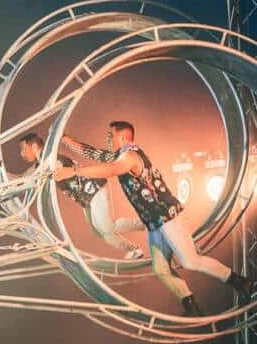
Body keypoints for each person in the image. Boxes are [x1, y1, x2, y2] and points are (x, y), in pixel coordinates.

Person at [54, 121, 252, 315]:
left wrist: (73, 171)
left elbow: (111, 170)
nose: (108, 139)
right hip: (154, 223)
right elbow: (92, 153)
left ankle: (239, 281)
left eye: (111, 135)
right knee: (160, 269)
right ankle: (191, 305)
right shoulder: (119, 156)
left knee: (191, 261)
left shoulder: (130, 156)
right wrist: (66, 140)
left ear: (123, 137)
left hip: (168, 217)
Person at [18, 133, 144, 259]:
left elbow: (53, 167)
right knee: (99, 232)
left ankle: (145, 223)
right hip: (85, 198)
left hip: (94, 189)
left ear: (34, 146)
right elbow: (23, 179)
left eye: (24, 149)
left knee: (107, 228)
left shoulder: (51, 159)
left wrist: (43, 174)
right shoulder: (39, 165)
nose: (22, 154)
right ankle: (133, 250)